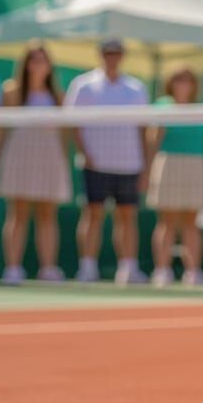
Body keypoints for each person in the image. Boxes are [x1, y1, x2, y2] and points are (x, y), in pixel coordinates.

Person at [66, 38, 150, 284]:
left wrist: (144, 166)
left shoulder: (136, 88)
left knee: (127, 215)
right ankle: (88, 267)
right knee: (93, 214)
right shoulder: (83, 86)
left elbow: (143, 129)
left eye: (116, 53)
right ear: (100, 55)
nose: (111, 57)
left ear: (122, 56)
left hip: (129, 164)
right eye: (107, 53)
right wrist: (86, 154)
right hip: (95, 164)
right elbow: (74, 126)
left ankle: (128, 267)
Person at [0, 42, 72, 283]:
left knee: (47, 214)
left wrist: (62, 159)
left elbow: (64, 133)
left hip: (48, 155)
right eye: (34, 60)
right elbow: (0, 129)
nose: (39, 65)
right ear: (26, 64)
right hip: (20, 153)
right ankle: (13, 268)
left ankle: (48, 268)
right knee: (17, 212)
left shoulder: (58, 96)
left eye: (43, 60)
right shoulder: (11, 91)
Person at [146, 65, 203, 287]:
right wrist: (147, 171)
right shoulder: (162, 106)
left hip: (195, 165)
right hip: (168, 163)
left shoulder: (201, 109)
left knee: (192, 221)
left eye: (187, 79)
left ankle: (193, 271)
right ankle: (162, 270)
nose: (183, 84)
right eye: (178, 79)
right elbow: (153, 140)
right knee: (167, 221)